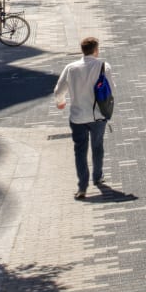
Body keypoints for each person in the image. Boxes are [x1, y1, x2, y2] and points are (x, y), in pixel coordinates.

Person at [53, 37, 112, 200]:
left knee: (80, 150)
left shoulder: (71, 68)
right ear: (96, 50)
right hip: (97, 116)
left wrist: (61, 102)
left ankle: (82, 187)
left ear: (82, 50)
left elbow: (59, 90)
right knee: (98, 146)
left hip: (77, 116)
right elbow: (111, 90)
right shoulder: (103, 67)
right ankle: (98, 176)